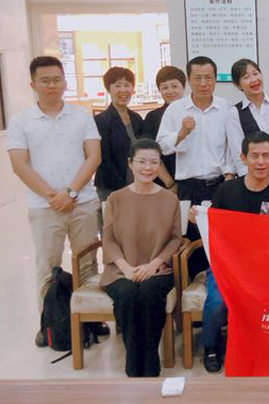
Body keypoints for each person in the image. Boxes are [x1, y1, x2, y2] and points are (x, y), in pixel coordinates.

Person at [7, 56, 108, 346]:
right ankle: (49, 325)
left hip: (82, 202)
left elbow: (93, 156)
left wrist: (71, 192)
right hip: (44, 207)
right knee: (47, 266)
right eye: (45, 80)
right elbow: (19, 164)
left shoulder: (81, 116)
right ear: (33, 85)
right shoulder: (21, 121)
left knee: (87, 264)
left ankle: (91, 320)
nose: (52, 85)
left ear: (65, 82)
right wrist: (53, 196)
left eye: (57, 79)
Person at [202, 131, 269, 373]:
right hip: (228, 266)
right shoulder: (226, 191)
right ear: (243, 158)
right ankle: (211, 347)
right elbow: (213, 228)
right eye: (254, 156)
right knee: (216, 302)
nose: (260, 161)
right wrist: (199, 218)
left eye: (266, 156)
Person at [101, 138, 182, 377]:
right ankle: (134, 362)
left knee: (148, 293)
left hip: (159, 268)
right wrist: (126, 268)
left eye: (154, 162)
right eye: (142, 162)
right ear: (130, 163)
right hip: (121, 270)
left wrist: (154, 264)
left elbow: (175, 239)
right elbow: (108, 240)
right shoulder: (116, 198)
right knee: (127, 294)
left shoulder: (170, 199)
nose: (148, 168)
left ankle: (149, 363)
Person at [156, 56, 233, 276]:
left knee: (220, 244)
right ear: (189, 80)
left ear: (215, 79)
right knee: (190, 244)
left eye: (208, 77)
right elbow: (161, 147)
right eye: (198, 78)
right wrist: (181, 133)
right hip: (188, 188)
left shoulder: (225, 108)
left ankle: (219, 288)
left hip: (220, 185)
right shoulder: (176, 109)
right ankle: (190, 289)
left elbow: (232, 146)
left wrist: (229, 177)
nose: (203, 83)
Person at [225, 59, 269, 182]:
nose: (254, 79)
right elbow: (238, 154)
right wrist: (250, 184)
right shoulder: (234, 113)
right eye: (246, 77)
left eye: (255, 73)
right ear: (238, 85)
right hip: (251, 180)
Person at [94, 66, 144, 205]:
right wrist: (123, 188)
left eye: (127, 85)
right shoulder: (101, 120)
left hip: (138, 186)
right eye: (117, 85)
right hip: (111, 189)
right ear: (108, 89)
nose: (123, 90)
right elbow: (103, 159)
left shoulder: (136, 118)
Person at [143, 66, 186, 190]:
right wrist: (169, 183)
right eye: (165, 88)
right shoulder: (152, 117)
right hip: (164, 183)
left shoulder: (193, 112)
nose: (170, 91)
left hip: (192, 182)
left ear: (184, 86)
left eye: (174, 86)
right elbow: (150, 152)